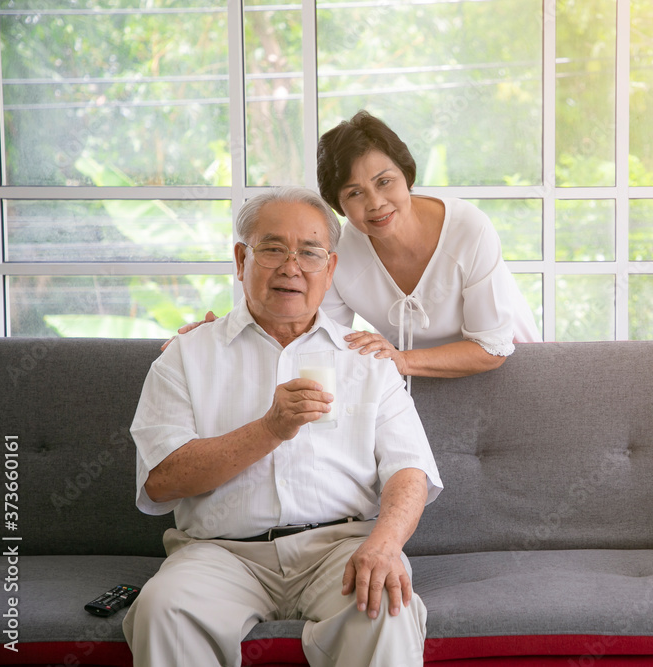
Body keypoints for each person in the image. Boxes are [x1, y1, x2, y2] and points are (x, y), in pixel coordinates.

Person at [125, 187, 442, 667]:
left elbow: (410, 470)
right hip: (220, 555)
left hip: (340, 548)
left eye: (310, 253)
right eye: (272, 249)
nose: (291, 267)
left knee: (387, 611)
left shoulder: (367, 360)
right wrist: (271, 428)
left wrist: (384, 544)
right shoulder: (186, 357)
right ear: (240, 258)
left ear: (330, 269)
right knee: (162, 608)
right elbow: (162, 481)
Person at [173, 111, 540, 379]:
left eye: (384, 182)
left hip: (502, 364)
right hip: (409, 378)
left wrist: (404, 360)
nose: (376, 203)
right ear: (338, 204)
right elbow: (309, 329)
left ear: (406, 175)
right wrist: (225, 329)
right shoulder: (338, 255)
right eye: (354, 193)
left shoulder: (468, 229)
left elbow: (492, 347)